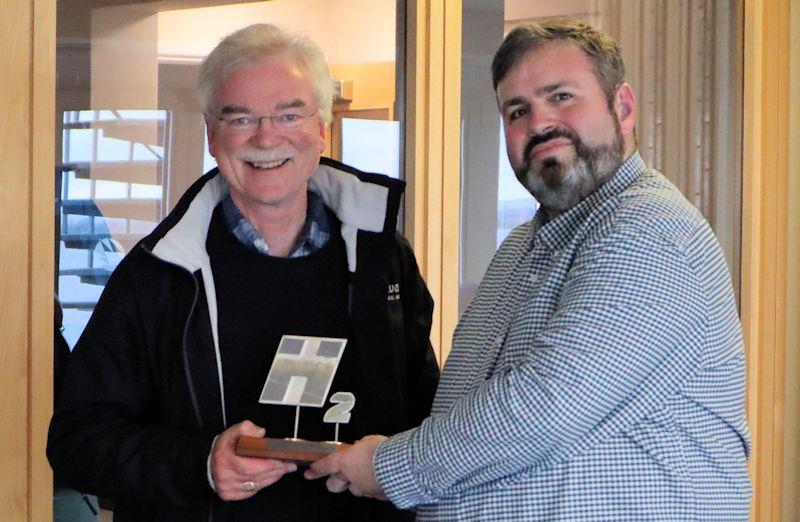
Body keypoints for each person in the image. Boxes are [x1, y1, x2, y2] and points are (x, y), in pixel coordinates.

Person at [306, 19, 751, 520]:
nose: (539, 124)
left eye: (561, 97)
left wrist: (388, 466)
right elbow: (467, 408)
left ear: (622, 109)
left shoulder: (649, 230)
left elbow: (547, 403)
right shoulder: (522, 246)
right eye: (518, 110)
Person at [47, 23, 439, 521]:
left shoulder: (386, 262)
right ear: (212, 135)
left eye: (289, 113)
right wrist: (199, 465)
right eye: (241, 118)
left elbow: (430, 417)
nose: (266, 136)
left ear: (321, 127)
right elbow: (78, 441)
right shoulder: (157, 274)